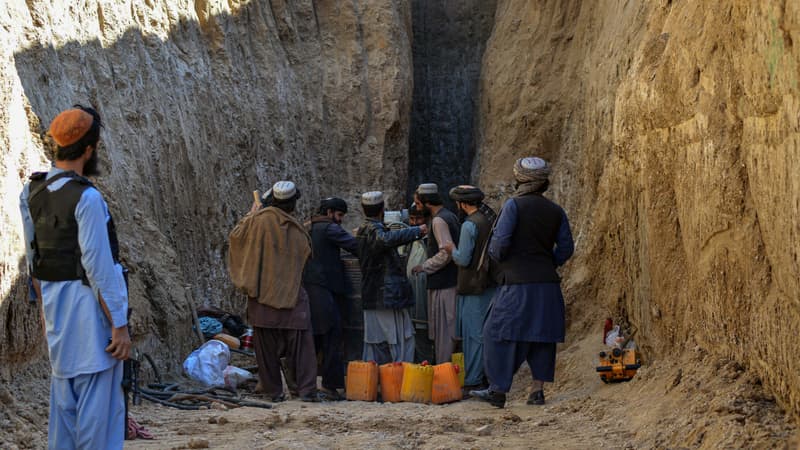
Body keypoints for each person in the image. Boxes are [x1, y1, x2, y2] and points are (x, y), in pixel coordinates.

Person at [19, 105, 130, 449]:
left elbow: (34, 264)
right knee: (99, 430)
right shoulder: (88, 198)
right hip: (93, 329)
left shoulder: (31, 193)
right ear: (88, 149)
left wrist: (46, 316)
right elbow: (99, 269)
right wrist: (120, 326)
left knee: (63, 427)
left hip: (59, 326)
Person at [471, 157, 574, 408]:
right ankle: (537, 391)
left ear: (519, 179)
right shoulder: (555, 210)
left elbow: (500, 244)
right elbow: (566, 249)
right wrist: (547, 262)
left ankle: (497, 391)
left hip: (517, 284)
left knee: (495, 332)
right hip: (548, 285)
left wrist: (500, 259)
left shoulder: (513, 206)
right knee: (541, 335)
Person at [228, 181, 323, 402]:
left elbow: (236, 237)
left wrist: (251, 215)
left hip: (262, 297)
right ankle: (306, 390)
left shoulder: (256, 222)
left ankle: (273, 391)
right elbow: (305, 256)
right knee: (302, 347)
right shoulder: (296, 230)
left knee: (265, 350)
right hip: (291, 297)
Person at [356, 191, 426, 364]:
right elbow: (384, 239)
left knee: (378, 340)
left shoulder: (364, 229)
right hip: (386, 295)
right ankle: (399, 380)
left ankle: (380, 380)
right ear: (382, 210)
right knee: (399, 339)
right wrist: (416, 231)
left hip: (377, 295)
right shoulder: (372, 229)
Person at [303, 197, 358, 400]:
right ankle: (330, 385)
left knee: (314, 337)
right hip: (323, 288)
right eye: (340, 215)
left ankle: (303, 382)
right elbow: (355, 246)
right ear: (330, 212)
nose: (340, 220)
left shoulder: (308, 227)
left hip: (309, 288)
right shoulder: (329, 228)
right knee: (333, 335)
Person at [443, 185, 496, 393]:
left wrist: (451, 249)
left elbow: (463, 258)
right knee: (484, 333)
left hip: (473, 286)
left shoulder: (469, 225)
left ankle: (474, 379)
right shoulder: (487, 220)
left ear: (462, 204)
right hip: (488, 284)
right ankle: (485, 376)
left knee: (473, 335)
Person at [411, 183, 460, 364]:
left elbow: (446, 252)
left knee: (444, 333)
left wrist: (424, 266)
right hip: (448, 282)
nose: (416, 208)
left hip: (444, 284)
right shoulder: (450, 216)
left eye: (417, 204)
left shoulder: (439, 221)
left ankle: (443, 376)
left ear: (426, 202)